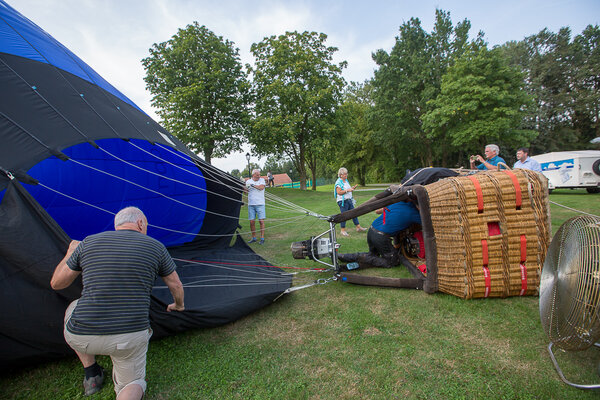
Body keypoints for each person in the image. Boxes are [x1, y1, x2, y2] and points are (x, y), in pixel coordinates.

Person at [50, 206, 185, 399]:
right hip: (129, 337)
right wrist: (178, 305)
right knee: (132, 383)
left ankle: (91, 373)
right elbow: (176, 285)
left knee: (74, 307)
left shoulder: (88, 242)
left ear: (117, 226)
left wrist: (70, 252)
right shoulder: (155, 246)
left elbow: (57, 283)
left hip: (82, 336)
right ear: (140, 223)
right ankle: (118, 377)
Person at [338, 201, 422, 268]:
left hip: (371, 230)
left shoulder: (398, 203)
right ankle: (361, 257)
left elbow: (378, 211)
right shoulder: (414, 213)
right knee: (393, 261)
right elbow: (427, 224)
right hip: (380, 236)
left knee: (373, 255)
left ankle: (344, 256)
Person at [335, 167, 367, 236]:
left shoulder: (346, 181)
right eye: (345, 174)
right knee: (344, 215)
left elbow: (348, 189)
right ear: (341, 175)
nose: (346, 175)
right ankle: (342, 230)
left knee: (354, 213)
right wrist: (347, 190)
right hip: (343, 201)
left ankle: (358, 227)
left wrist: (352, 188)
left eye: (347, 174)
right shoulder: (338, 182)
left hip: (349, 200)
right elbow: (339, 192)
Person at [246, 169, 266, 244]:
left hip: (260, 204)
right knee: (252, 222)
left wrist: (252, 185)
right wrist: (244, 187)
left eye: (259, 174)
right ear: (253, 175)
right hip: (251, 204)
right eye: (257, 175)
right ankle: (254, 238)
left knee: (261, 221)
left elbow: (261, 188)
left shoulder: (262, 180)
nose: (259, 176)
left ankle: (262, 238)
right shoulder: (248, 181)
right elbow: (246, 191)